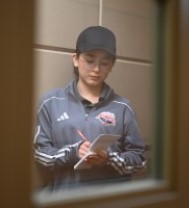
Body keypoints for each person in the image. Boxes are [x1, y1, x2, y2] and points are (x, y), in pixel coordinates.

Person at [33, 26, 146, 193]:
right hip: (66, 200)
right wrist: (73, 152)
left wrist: (109, 159)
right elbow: (41, 154)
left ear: (111, 65)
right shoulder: (50, 102)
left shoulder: (123, 108)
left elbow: (140, 160)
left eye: (104, 62)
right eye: (90, 60)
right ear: (76, 59)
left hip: (111, 200)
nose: (97, 69)